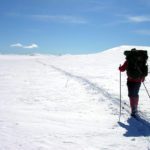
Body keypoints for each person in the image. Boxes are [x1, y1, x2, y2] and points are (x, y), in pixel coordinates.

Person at [119, 49, 145, 117]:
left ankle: (133, 110)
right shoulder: (141, 60)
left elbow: (122, 69)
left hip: (131, 81)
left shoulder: (128, 61)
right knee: (136, 94)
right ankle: (135, 108)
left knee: (131, 95)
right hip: (138, 80)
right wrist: (142, 78)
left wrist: (119, 67)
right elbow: (144, 70)